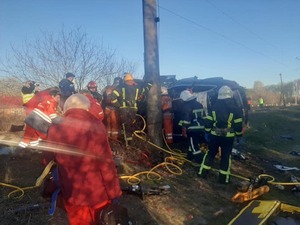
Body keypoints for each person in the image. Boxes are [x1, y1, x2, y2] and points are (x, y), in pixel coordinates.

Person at [46, 94, 122, 225]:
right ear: (86, 108)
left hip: (72, 192)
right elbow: (106, 164)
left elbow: (49, 158)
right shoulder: (96, 125)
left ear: (66, 108)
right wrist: (114, 192)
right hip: (97, 193)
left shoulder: (55, 128)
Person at [198, 85, 243, 184]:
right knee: (226, 157)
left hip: (214, 135)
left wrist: (207, 132)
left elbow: (208, 122)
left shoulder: (213, 107)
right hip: (228, 137)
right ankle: (223, 179)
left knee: (210, 154)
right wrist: (239, 136)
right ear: (230, 95)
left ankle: (202, 173)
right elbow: (238, 125)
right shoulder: (236, 108)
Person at [111, 73, 144, 144]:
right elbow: (141, 96)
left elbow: (112, 97)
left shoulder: (120, 87)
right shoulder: (137, 87)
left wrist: (118, 106)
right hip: (134, 110)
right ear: (132, 79)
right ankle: (132, 142)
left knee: (126, 127)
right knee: (131, 126)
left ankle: (128, 144)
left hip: (124, 110)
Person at [178, 90, 206, 163]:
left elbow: (186, 120)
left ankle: (199, 161)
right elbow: (203, 116)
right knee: (192, 143)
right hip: (200, 127)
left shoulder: (187, 106)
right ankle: (190, 156)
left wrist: (184, 130)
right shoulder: (199, 104)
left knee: (194, 146)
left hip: (192, 129)